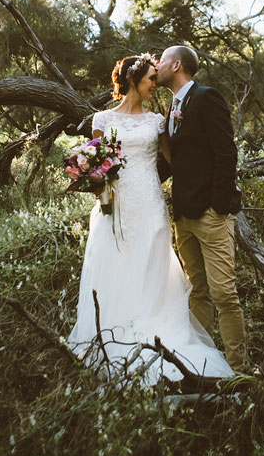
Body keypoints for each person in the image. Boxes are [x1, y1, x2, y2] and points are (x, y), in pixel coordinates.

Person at [68, 53, 234, 384]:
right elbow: (94, 159)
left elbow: (178, 160)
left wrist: (207, 192)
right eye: (149, 80)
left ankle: (157, 327)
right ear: (133, 80)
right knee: (116, 264)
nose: (153, 85)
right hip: (116, 204)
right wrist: (91, 176)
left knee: (153, 261)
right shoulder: (101, 118)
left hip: (151, 201)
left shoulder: (157, 120)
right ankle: (118, 330)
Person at [156, 45, 247, 371]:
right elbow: (173, 162)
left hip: (211, 215)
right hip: (183, 216)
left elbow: (226, 152)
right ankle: (201, 365)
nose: (156, 65)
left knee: (224, 295)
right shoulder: (171, 109)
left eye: (161, 61)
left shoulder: (207, 97)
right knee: (198, 293)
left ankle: (238, 370)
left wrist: (218, 207)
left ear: (176, 65)